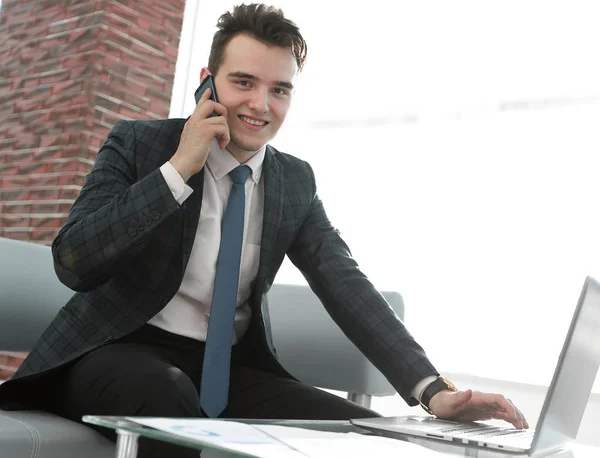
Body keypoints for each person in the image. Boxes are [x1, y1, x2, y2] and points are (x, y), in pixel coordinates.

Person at [0, 3, 527, 457]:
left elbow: (344, 282)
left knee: (360, 433)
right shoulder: (139, 146)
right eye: (244, 82)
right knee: (165, 398)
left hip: (223, 368)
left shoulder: (292, 181)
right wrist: (178, 170)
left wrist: (433, 389)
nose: (261, 105)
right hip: (115, 352)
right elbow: (73, 261)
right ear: (206, 81)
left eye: (280, 90)